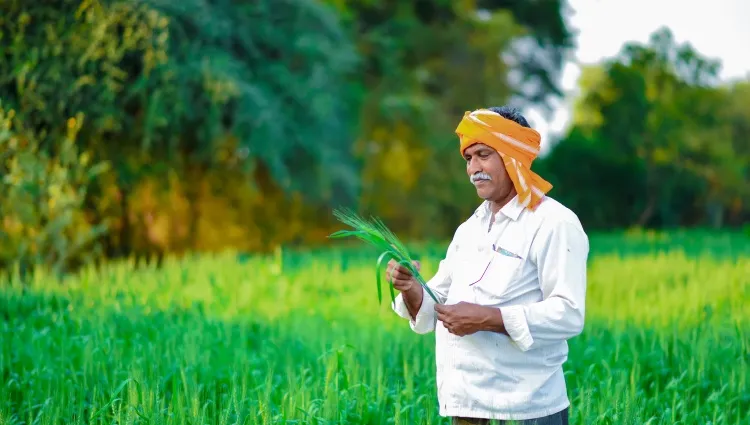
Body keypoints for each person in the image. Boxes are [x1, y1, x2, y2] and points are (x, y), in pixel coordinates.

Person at [387, 106, 589, 425]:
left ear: (513, 157)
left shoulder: (554, 222)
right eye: (468, 158)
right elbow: (433, 309)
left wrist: (487, 318)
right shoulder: (469, 230)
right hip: (467, 404)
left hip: (529, 407)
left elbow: (569, 314)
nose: (473, 169)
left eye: (483, 154)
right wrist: (412, 287)